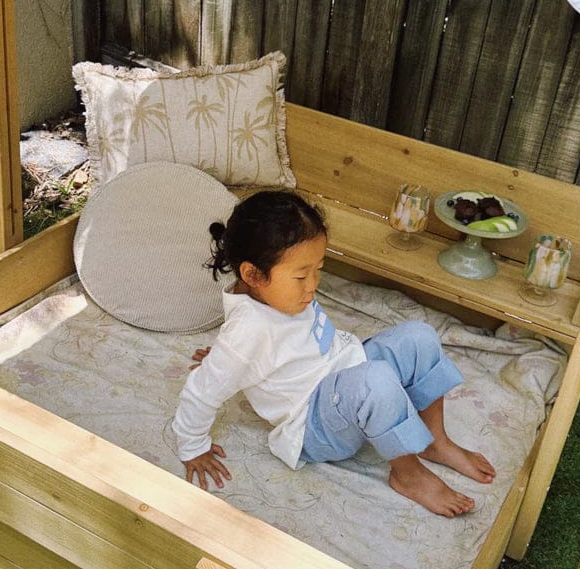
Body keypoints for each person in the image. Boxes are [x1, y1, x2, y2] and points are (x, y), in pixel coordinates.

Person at [171, 190, 495, 518]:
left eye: (318, 269)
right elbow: (201, 391)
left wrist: (226, 359)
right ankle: (408, 475)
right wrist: (193, 447)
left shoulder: (271, 302)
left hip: (345, 378)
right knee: (375, 380)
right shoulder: (245, 335)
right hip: (314, 425)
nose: (313, 284)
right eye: (301, 276)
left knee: (419, 337)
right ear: (253, 275)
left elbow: (271, 348)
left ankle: (434, 441)